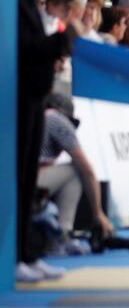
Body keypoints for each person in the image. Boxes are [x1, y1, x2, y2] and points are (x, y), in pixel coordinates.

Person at [16, 0, 74, 283]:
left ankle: (27, 252)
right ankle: (17, 253)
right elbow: (23, 46)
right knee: (19, 177)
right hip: (18, 96)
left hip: (34, 95)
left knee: (27, 178)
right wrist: (60, 42)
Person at [38, 93, 114, 247]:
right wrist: (98, 213)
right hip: (24, 183)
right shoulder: (56, 119)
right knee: (76, 170)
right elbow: (88, 170)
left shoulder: (39, 117)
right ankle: (62, 236)